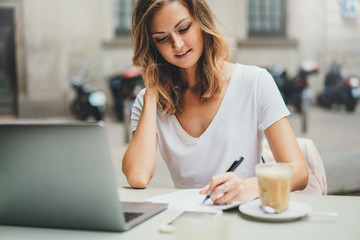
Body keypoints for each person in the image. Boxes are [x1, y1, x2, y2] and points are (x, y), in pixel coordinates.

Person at [122, 0, 308, 204]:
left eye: (183, 29)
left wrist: (249, 186)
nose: (177, 45)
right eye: (162, 38)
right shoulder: (150, 102)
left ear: (202, 23)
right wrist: (151, 91)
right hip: (190, 223)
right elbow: (137, 177)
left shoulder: (254, 82)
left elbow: (299, 172)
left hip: (245, 217)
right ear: (152, 46)